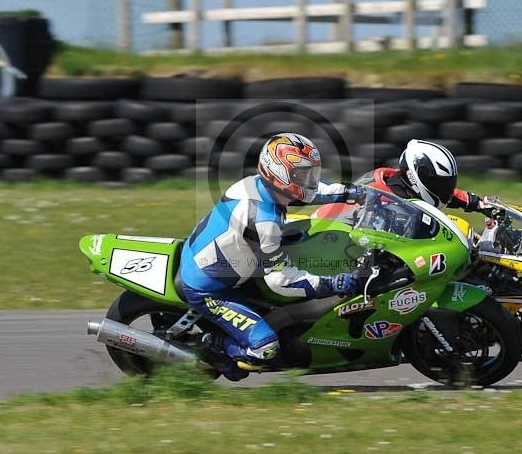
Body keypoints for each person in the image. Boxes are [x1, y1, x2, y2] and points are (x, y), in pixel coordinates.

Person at [180, 133, 363, 379]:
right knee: (264, 349)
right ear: (280, 173)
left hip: (222, 258)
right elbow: (281, 281)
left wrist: (356, 193)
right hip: (210, 287)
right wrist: (333, 283)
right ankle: (213, 346)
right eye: (301, 174)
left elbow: (316, 191)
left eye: (311, 172)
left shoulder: (259, 185)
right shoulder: (263, 220)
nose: (309, 180)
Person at [314, 139, 497, 219]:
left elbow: (445, 194)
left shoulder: (402, 182)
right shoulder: (384, 199)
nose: (446, 189)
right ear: (417, 177)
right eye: (442, 184)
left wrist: (478, 203)